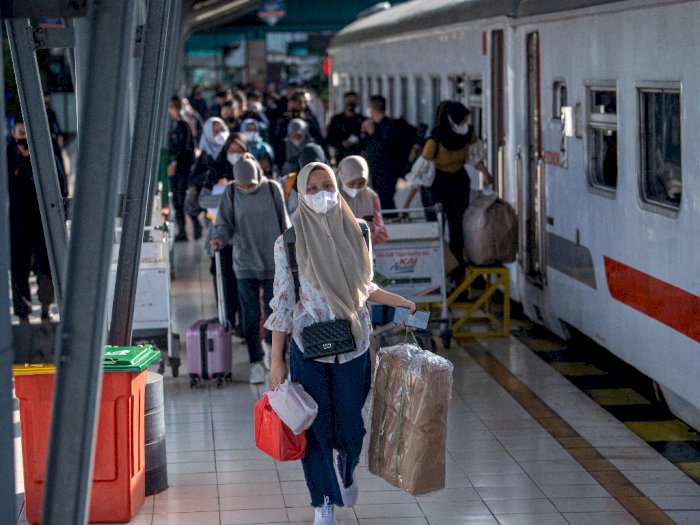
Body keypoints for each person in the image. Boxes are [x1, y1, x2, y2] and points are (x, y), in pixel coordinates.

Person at [266, 162, 416, 525]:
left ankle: (345, 471)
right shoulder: (288, 242)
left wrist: (399, 301)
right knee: (315, 429)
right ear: (301, 194)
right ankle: (323, 502)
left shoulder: (359, 232)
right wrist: (276, 360)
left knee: (351, 427)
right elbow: (283, 303)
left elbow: (365, 287)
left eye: (327, 185)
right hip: (309, 350)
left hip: (354, 347)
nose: (322, 194)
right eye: (313, 188)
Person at [210, 154, 290, 384]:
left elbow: (285, 223)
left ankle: (274, 354)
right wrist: (219, 238)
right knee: (251, 314)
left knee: (275, 313)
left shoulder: (272, 190)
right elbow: (223, 223)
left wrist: (292, 253)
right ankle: (255, 360)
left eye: (251, 185)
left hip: (274, 262)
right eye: (242, 184)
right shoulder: (231, 193)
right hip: (245, 261)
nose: (246, 188)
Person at [403, 101, 491, 268]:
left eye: (466, 120)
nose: (466, 124)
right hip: (435, 186)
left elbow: (474, 158)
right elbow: (419, 178)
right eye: (463, 121)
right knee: (435, 231)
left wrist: (485, 174)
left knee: (458, 230)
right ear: (452, 121)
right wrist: (406, 204)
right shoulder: (434, 143)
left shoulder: (468, 135)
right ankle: (437, 271)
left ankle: (457, 273)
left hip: (458, 183)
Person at [8, 119, 67, 323]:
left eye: (26, 134)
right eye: (20, 134)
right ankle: (22, 310)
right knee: (18, 269)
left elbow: (61, 183)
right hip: (16, 221)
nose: (23, 139)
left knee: (45, 266)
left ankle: (45, 306)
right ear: (14, 134)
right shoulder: (8, 155)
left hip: (41, 220)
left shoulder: (46, 154)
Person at [203, 132, 249, 333]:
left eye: (239, 151)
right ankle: (227, 318)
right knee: (224, 277)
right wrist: (227, 202)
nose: (234, 155)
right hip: (220, 236)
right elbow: (203, 200)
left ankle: (244, 322)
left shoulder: (250, 172)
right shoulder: (215, 171)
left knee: (243, 280)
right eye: (231, 151)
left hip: (244, 236)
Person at [186, 116, 229, 238]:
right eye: (215, 132)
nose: (220, 134)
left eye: (222, 130)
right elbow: (193, 179)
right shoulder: (204, 156)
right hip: (211, 202)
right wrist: (208, 176)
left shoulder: (231, 150)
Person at [361, 95, 402, 212]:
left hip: (387, 170)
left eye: (370, 106)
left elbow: (384, 146)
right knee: (377, 199)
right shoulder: (373, 124)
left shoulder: (389, 125)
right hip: (375, 169)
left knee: (386, 199)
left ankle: (392, 221)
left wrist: (373, 132)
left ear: (375, 108)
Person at [337, 155, 388, 245]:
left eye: (361, 184)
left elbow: (379, 225)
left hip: (365, 248)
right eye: (351, 183)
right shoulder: (332, 198)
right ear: (342, 177)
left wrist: (371, 233)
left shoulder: (372, 196)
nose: (356, 187)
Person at [168, 95, 196, 241]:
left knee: (181, 199)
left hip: (182, 168)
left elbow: (183, 147)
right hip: (180, 168)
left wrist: (174, 162)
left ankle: (193, 228)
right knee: (179, 200)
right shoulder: (179, 125)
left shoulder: (182, 125)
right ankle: (184, 230)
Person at [280, 143, 326, 219]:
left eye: (315, 168)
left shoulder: (329, 184)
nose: (310, 173)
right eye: (306, 167)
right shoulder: (287, 183)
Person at [327, 91, 364, 164]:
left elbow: (366, 139)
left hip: (358, 157)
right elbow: (330, 138)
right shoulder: (336, 119)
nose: (350, 104)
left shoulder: (362, 120)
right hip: (341, 157)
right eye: (348, 101)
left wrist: (357, 142)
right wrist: (341, 143)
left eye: (353, 102)